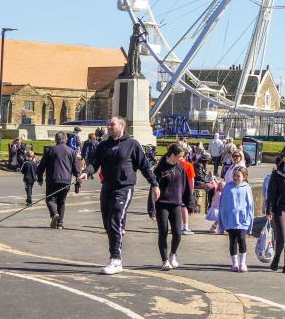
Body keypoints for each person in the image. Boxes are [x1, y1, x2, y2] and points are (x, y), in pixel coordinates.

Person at [79, 116, 159, 275]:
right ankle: (117, 253)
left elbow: (145, 166)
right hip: (107, 187)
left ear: (121, 126)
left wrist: (154, 184)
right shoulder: (103, 145)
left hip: (124, 188)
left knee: (115, 219)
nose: (108, 126)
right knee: (108, 223)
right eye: (108, 123)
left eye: (112, 124)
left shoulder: (132, 144)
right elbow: (95, 163)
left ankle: (115, 259)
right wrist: (86, 173)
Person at [148, 143, 193, 270]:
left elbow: (186, 188)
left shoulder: (181, 168)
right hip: (162, 204)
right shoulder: (159, 170)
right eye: (180, 156)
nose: (182, 159)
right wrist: (151, 209)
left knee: (178, 233)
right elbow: (152, 190)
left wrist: (189, 204)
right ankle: (164, 260)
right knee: (163, 232)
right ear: (172, 155)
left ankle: (173, 255)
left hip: (176, 204)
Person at [37, 132, 80, 229]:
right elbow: (76, 168)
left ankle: (54, 214)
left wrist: (39, 178)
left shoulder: (50, 151)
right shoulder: (71, 151)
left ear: (56, 140)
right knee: (61, 201)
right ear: (66, 139)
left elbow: (41, 166)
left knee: (50, 199)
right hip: (66, 180)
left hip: (53, 179)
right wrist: (78, 181)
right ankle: (60, 223)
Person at [219, 166, 254, 272]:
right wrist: (222, 220)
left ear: (244, 177)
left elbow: (250, 206)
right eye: (234, 175)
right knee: (232, 240)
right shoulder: (228, 187)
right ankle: (234, 263)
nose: (235, 177)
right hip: (230, 219)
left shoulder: (247, 187)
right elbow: (222, 205)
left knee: (242, 239)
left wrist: (250, 220)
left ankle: (242, 263)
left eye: (238, 175)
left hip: (242, 219)